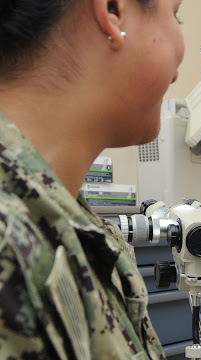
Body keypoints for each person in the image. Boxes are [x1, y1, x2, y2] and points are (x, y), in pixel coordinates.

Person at [0, 0, 184, 358]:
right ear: (113, 10)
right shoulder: (11, 243)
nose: (181, 47)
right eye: (176, 14)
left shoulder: (66, 224)